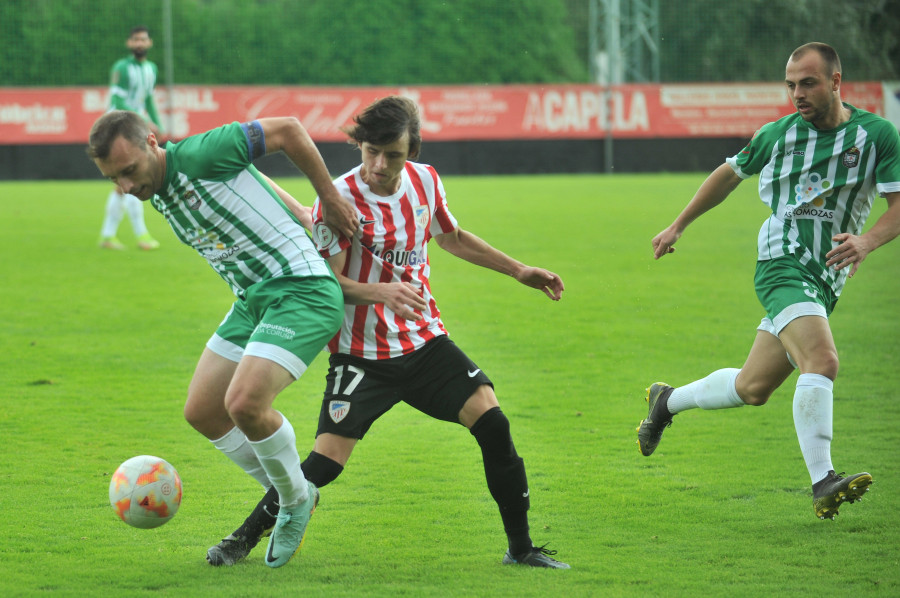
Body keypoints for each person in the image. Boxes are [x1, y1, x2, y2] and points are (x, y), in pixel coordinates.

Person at [208, 96, 571, 569]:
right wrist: (382, 292)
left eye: (393, 154)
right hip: (360, 356)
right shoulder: (335, 199)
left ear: (411, 151)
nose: (380, 165)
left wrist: (518, 270)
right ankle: (242, 539)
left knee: (494, 424)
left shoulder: (426, 181)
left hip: (424, 343)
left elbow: (451, 237)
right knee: (323, 465)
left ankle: (521, 549)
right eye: (370, 151)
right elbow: (327, 285)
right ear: (360, 145)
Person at [637, 42, 900, 520]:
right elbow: (729, 173)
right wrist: (678, 225)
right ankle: (823, 480)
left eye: (808, 83)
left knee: (752, 387)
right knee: (821, 359)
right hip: (783, 260)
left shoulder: (877, 136)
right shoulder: (778, 135)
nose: (797, 93)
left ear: (837, 82)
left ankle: (666, 401)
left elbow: (898, 206)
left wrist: (866, 242)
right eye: (790, 84)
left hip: (825, 278)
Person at [87, 109, 360, 567]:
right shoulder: (158, 190)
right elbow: (246, 176)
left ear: (152, 143)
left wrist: (327, 198)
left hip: (300, 289)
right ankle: (294, 490)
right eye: (115, 180)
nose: (127, 188)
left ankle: (292, 500)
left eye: (129, 171)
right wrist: (295, 208)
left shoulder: (201, 152)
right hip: (253, 300)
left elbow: (289, 130)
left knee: (245, 404)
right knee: (203, 411)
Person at [98, 25, 165, 251]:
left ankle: (108, 236)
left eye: (143, 39)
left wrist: (158, 122)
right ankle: (142, 235)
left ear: (149, 43)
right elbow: (117, 101)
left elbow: (148, 99)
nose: (139, 43)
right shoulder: (122, 67)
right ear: (129, 43)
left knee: (123, 183)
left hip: (133, 127)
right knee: (134, 177)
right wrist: (141, 121)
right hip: (116, 128)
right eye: (135, 39)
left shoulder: (151, 69)